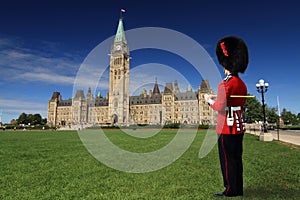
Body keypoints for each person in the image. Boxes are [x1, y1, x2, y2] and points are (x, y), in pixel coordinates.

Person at [204, 36, 249, 197]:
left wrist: (209, 100)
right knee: (237, 159)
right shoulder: (241, 84)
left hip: (226, 127)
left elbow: (219, 106)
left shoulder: (225, 84)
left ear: (226, 65)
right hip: (238, 125)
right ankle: (238, 188)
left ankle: (230, 190)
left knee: (227, 160)